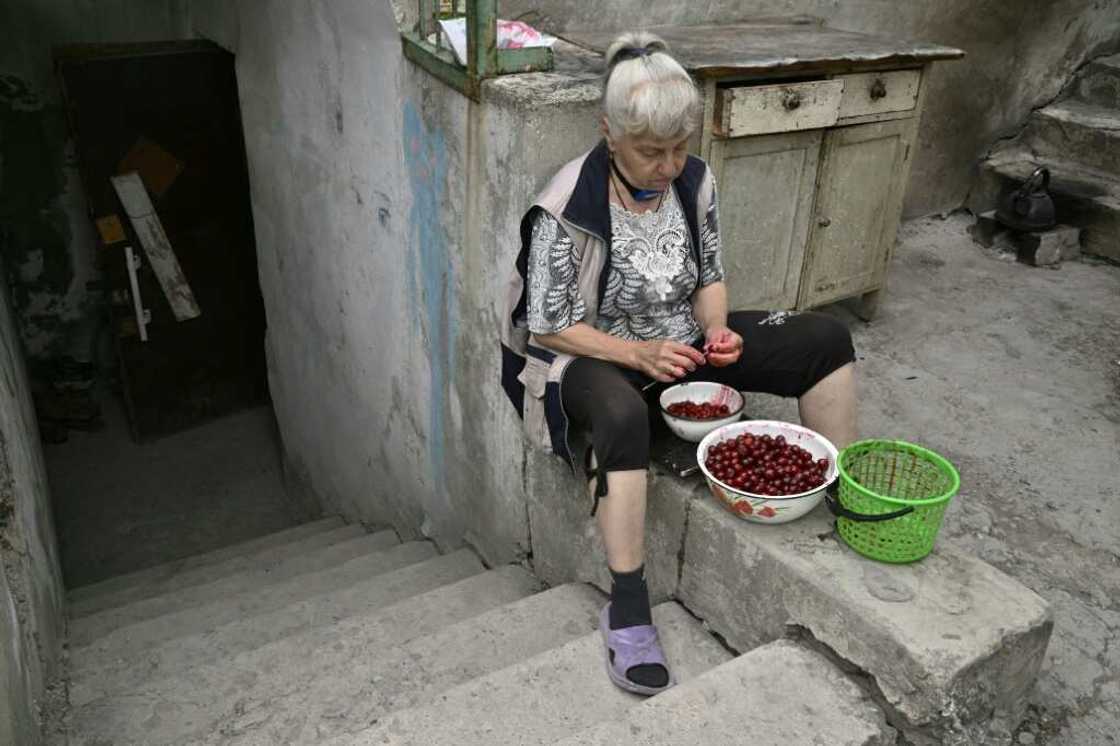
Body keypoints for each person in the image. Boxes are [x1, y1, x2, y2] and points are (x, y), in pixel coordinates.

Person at [499, 31, 858, 696]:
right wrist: (635, 353)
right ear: (609, 132)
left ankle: (842, 491)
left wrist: (718, 331)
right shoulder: (566, 204)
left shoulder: (694, 180)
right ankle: (628, 605)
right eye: (650, 151)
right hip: (594, 355)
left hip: (680, 344)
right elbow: (550, 323)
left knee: (825, 340)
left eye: (679, 148)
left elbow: (711, 277)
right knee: (619, 413)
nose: (668, 165)